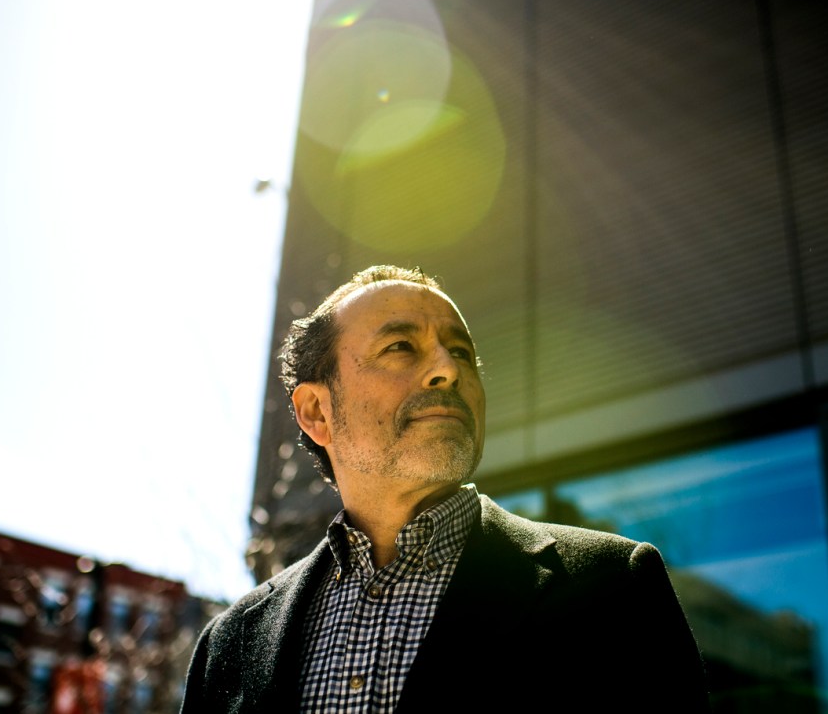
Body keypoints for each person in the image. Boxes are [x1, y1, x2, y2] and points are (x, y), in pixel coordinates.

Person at [181, 265, 710, 713]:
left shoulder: (612, 588)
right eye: (400, 346)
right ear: (317, 411)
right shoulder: (230, 645)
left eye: (461, 352)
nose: (447, 370)